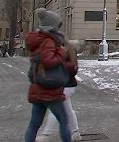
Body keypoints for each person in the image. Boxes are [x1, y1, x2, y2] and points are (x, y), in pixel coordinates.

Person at [24, 8, 75, 142]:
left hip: (38, 85)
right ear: (53, 26)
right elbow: (47, 60)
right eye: (58, 25)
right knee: (64, 121)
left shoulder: (38, 39)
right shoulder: (49, 41)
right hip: (49, 88)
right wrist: (62, 53)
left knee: (34, 124)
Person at [36, 40, 81, 141]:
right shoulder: (66, 54)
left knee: (56, 109)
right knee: (68, 109)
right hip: (67, 85)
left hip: (66, 85)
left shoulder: (68, 54)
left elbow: (72, 69)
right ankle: (75, 132)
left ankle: (47, 134)